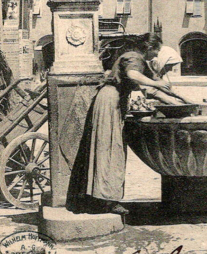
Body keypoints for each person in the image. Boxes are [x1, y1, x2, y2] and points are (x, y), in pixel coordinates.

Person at [66, 37, 186, 216]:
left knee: (111, 149)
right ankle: (105, 200)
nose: (156, 55)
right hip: (109, 101)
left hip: (114, 102)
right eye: (156, 50)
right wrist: (157, 83)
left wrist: (181, 101)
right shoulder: (133, 57)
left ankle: (104, 198)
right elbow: (133, 75)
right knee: (108, 150)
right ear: (149, 47)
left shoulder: (141, 62)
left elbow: (155, 91)